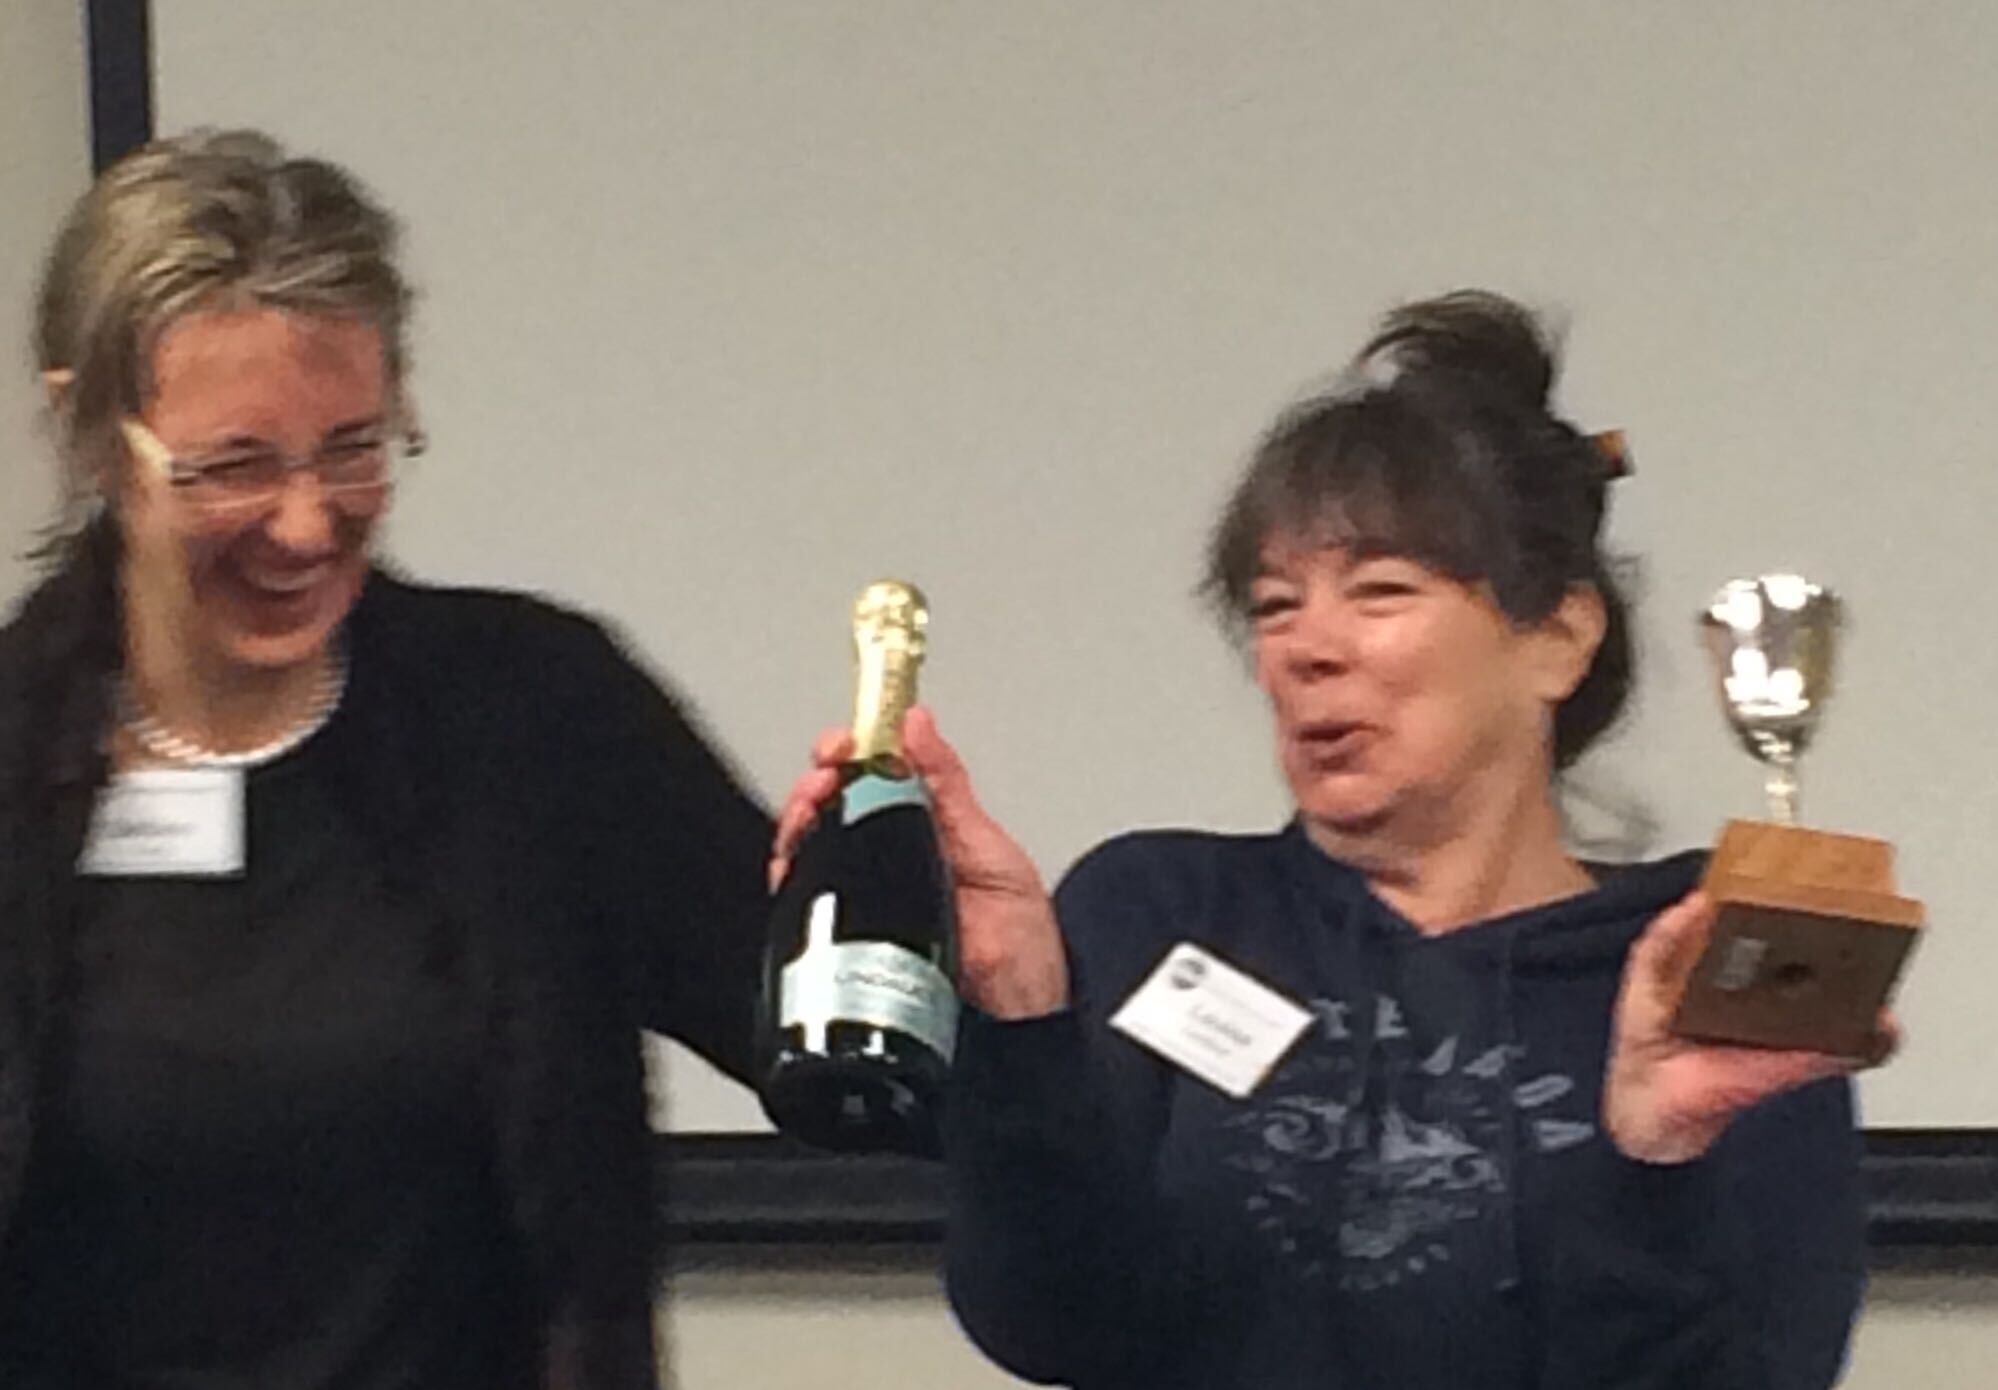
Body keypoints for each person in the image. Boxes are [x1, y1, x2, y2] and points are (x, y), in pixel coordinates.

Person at [774, 291, 1886, 1389]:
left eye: (1380, 591)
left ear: (1556, 637)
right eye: (1273, 606)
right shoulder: (1159, 912)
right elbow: (1055, 1328)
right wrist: (1018, 1015)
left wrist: (1653, 1163)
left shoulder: (1693, 957)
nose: (1309, 648)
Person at [0, 129, 772, 1389]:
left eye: (354, 448)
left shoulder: (542, 721)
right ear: (92, 439)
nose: (306, 523)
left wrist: (925, 922)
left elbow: (830, 1040)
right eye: (235, 466)